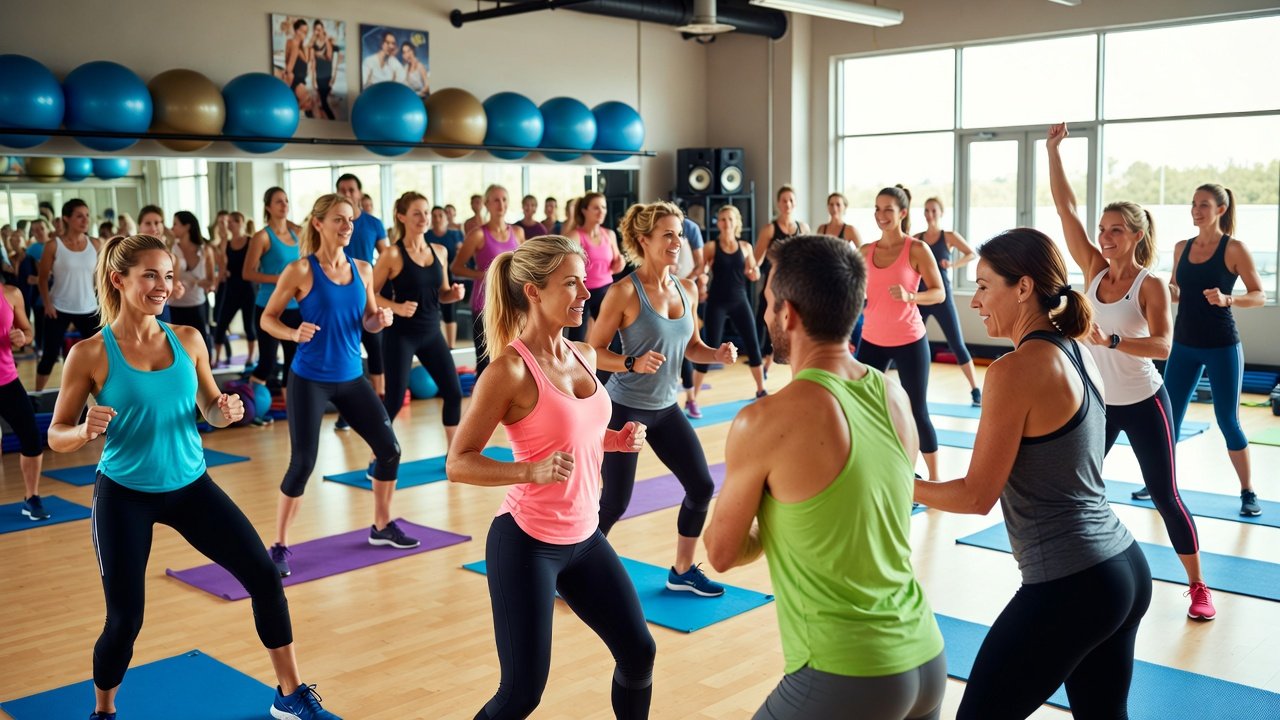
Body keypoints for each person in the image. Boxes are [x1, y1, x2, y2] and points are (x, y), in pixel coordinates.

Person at [48, 234, 341, 720]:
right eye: (150, 275)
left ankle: (289, 695)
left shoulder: (187, 339)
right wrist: (81, 431)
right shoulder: (91, 353)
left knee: (265, 577)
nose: (163, 286)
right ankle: (104, 711)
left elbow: (209, 407)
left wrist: (225, 411)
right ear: (119, 280)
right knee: (125, 620)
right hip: (125, 494)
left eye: (167, 275)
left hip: (191, 487)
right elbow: (56, 433)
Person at [705, 234, 945, 720]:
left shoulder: (765, 420)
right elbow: (860, 514)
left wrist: (765, 509)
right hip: (925, 656)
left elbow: (721, 552)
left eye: (770, 301)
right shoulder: (894, 396)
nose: (767, 312)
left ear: (788, 314)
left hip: (847, 672)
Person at [914, 227, 1151, 719]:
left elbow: (976, 495)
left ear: (1023, 288)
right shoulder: (1076, 348)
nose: (976, 301)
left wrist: (891, 480)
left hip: (1074, 582)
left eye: (983, 286)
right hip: (1123, 568)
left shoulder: (1014, 370)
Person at [446, 235, 656, 720]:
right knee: (521, 694)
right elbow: (459, 462)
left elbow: (572, 433)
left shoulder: (582, 353)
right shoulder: (510, 371)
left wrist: (614, 440)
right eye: (571, 284)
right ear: (534, 292)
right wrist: (528, 471)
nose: (586, 294)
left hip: (585, 537)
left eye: (584, 282)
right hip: (527, 544)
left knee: (639, 652)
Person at [1048, 123, 1213, 618]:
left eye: (1116, 229)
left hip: (1144, 403)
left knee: (1165, 494)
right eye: (1102, 229)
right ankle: (1077, 571)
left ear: (1137, 235)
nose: (1104, 236)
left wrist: (1113, 339)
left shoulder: (1151, 283)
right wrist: (1053, 151)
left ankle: (1199, 586)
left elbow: (1164, 345)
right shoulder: (1094, 270)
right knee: (1075, 486)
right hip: (1099, 404)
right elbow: (1066, 209)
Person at [592, 201, 738, 597]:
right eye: (668, 234)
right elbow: (591, 351)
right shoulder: (623, 292)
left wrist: (717, 354)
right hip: (625, 409)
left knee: (701, 486)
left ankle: (682, 570)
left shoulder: (686, 288)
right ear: (644, 240)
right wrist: (630, 361)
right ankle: (573, 568)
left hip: (666, 408)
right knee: (615, 504)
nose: (677, 242)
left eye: (679, 233)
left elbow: (692, 347)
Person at [260, 194, 410, 579]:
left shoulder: (363, 269)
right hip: (309, 379)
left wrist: (384, 319)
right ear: (318, 223)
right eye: (340, 220)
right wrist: (293, 333)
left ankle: (380, 526)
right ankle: (278, 545)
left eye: (351, 221)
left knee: (389, 449)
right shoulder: (300, 270)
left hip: (351, 377)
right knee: (303, 462)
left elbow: (369, 321)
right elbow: (267, 319)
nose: (347, 227)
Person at [1164, 182, 1266, 517]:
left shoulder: (1234, 249)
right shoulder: (1181, 247)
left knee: (1228, 420)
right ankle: (1164, 484)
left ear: (1220, 210)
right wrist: (1159, 291)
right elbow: (1177, 292)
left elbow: (1259, 295)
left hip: (1222, 345)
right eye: (1193, 203)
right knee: (1169, 418)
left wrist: (1228, 299)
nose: (1196, 210)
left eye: (1204, 204)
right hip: (1183, 345)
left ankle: (1248, 491)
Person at [857, 186, 945, 481]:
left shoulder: (916, 249)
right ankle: (877, 470)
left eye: (888, 210)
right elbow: (853, 290)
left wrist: (911, 297)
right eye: (877, 209)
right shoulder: (864, 252)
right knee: (864, 408)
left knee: (917, 410)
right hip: (871, 340)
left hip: (910, 340)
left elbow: (939, 293)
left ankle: (934, 480)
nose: (881, 215)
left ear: (902, 213)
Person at [374, 192, 465, 448]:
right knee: (393, 401)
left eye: (426, 212)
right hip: (401, 336)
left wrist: (454, 295)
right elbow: (369, 293)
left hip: (431, 333)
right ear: (401, 217)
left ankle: (454, 454)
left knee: (454, 393)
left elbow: (443, 294)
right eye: (416, 213)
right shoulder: (393, 254)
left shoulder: (440, 251)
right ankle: (378, 453)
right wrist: (396, 307)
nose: (424, 218)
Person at [690, 205, 767, 412]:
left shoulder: (745, 247)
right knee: (709, 348)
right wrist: (700, 281)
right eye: (722, 219)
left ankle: (761, 390)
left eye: (730, 219)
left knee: (752, 343)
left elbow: (753, 271)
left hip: (740, 301)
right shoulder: (711, 247)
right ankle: (693, 399)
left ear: (736, 223)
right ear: (719, 223)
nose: (726, 223)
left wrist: (754, 273)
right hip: (717, 302)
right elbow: (703, 270)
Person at [452, 185, 525, 377]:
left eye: (504, 199)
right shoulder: (477, 234)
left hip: (513, 302)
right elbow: (456, 267)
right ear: (486, 204)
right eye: (495, 200)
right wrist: (485, 274)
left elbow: (525, 265)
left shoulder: (517, 232)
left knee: (514, 357)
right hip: (485, 304)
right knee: (486, 361)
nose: (500, 204)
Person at [914, 197, 981, 405]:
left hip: (943, 298)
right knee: (914, 344)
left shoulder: (948, 237)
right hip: (922, 298)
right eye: (926, 210)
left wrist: (953, 264)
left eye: (933, 210)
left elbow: (972, 253)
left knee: (957, 344)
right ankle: (916, 390)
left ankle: (975, 389)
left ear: (941, 213)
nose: (929, 214)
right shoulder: (917, 238)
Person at [244, 187, 302, 411]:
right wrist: (281, 279)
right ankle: (251, 406)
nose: (284, 205)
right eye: (278, 201)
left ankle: (292, 410)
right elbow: (247, 273)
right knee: (267, 362)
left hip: (295, 307)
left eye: (286, 200)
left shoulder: (297, 234)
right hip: (269, 305)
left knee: (293, 360)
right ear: (268, 207)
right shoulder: (262, 236)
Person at [336, 173, 390, 407]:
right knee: (346, 352)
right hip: (339, 295)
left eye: (351, 190)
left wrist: (374, 282)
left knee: (375, 348)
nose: (348, 194)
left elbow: (387, 256)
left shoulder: (373, 223)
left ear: (359, 192)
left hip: (365, 291)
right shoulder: (333, 225)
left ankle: (380, 401)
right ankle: (344, 409)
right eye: (343, 190)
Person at [36, 199, 101, 390]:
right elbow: (42, 279)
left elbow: (100, 276)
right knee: (49, 355)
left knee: (100, 353)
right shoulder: (53, 246)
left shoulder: (95, 244)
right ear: (67, 218)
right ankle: (37, 396)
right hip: (58, 308)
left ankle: (102, 394)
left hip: (89, 307)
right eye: (79, 216)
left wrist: (100, 297)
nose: (85, 220)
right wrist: (47, 304)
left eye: (87, 215)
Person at [2, 280, 48, 521]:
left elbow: (28, 332)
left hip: (7, 381)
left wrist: (22, 337)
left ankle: (32, 498)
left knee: (31, 437)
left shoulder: (11, 294)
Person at [753, 186, 810, 376]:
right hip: (774, 287)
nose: (788, 204)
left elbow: (808, 258)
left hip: (795, 288)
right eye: (784, 200)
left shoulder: (803, 228)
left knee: (795, 327)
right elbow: (757, 259)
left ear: (795, 203)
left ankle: (796, 368)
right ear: (778, 203)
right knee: (769, 325)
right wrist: (753, 269)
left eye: (791, 200)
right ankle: (767, 362)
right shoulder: (770, 229)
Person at [566, 192, 624, 343]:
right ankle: (574, 365)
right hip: (581, 292)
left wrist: (620, 263)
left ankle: (611, 365)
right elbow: (566, 268)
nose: (601, 211)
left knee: (613, 338)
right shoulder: (575, 236)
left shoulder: (609, 234)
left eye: (603, 207)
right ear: (585, 210)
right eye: (596, 208)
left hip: (605, 290)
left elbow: (617, 265)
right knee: (577, 337)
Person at [213, 211, 258, 369]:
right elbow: (223, 269)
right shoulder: (226, 243)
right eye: (229, 221)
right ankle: (216, 358)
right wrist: (224, 241)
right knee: (221, 324)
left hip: (248, 290)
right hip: (231, 289)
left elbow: (256, 265)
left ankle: (251, 357)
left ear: (241, 223)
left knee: (249, 326)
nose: (230, 224)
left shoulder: (251, 241)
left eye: (234, 221)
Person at [168, 211, 216, 356]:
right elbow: (171, 279)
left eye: (175, 224)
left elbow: (211, 282)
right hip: (176, 305)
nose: (172, 228)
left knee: (201, 345)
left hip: (198, 305)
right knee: (178, 347)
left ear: (187, 227)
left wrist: (199, 282)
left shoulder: (205, 250)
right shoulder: (172, 249)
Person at [427, 205, 466, 347]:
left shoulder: (454, 234)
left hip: (451, 274)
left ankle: (451, 345)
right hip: (432, 276)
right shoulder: (426, 236)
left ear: (445, 217)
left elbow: (462, 253)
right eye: (434, 215)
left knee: (450, 308)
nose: (437, 218)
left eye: (440, 215)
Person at [283, 18, 315, 118]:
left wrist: (308, 46)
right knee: (308, 104)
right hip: (296, 81)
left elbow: (306, 60)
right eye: (303, 31)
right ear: (297, 31)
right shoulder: (292, 43)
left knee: (308, 106)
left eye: (306, 32)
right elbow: (289, 67)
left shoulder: (299, 45)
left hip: (301, 80)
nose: (305, 34)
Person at [311, 20, 338, 120]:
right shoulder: (313, 45)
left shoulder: (328, 42)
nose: (317, 32)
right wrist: (313, 79)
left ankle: (332, 119)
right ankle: (325, 118)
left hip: (327, 75)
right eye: (315, 30)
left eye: (319, 29)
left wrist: (326, 40)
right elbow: (313, 62)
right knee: (321, 99)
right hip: (319, 76)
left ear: (323, 29)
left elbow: (330, 57)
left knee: (323, 100)